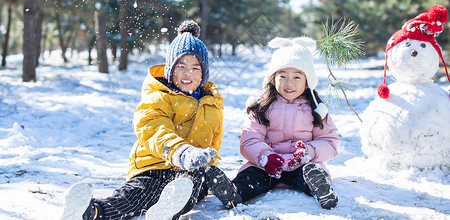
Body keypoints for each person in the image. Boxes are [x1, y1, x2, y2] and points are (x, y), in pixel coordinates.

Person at [60, 20, 237, 220]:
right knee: (133, 197)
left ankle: (167, 210)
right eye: (181, 66)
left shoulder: (211, 104)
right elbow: (153, 127)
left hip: (189, 172)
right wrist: (181, 151)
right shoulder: (158, 96)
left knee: (192, 182)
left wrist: (211, 168)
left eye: (196, 68)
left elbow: (214, 142)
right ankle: (90, 212)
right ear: (170, 69)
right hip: (153, 166)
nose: (188, 73)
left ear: (204, 73)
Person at [210, 36, 340, 210]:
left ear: (308, 81)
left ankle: (320, 188)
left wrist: (308, 152)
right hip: (267, 166)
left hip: (301, 164)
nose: (289, 83)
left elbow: (330, 142)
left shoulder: (317, 109)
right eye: (282, 76)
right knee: (252, 176)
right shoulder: (262, 107)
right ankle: (234, 192)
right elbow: (250, 138)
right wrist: (265, 157)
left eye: (297, 77)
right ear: (272, 78)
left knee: (308, 174)